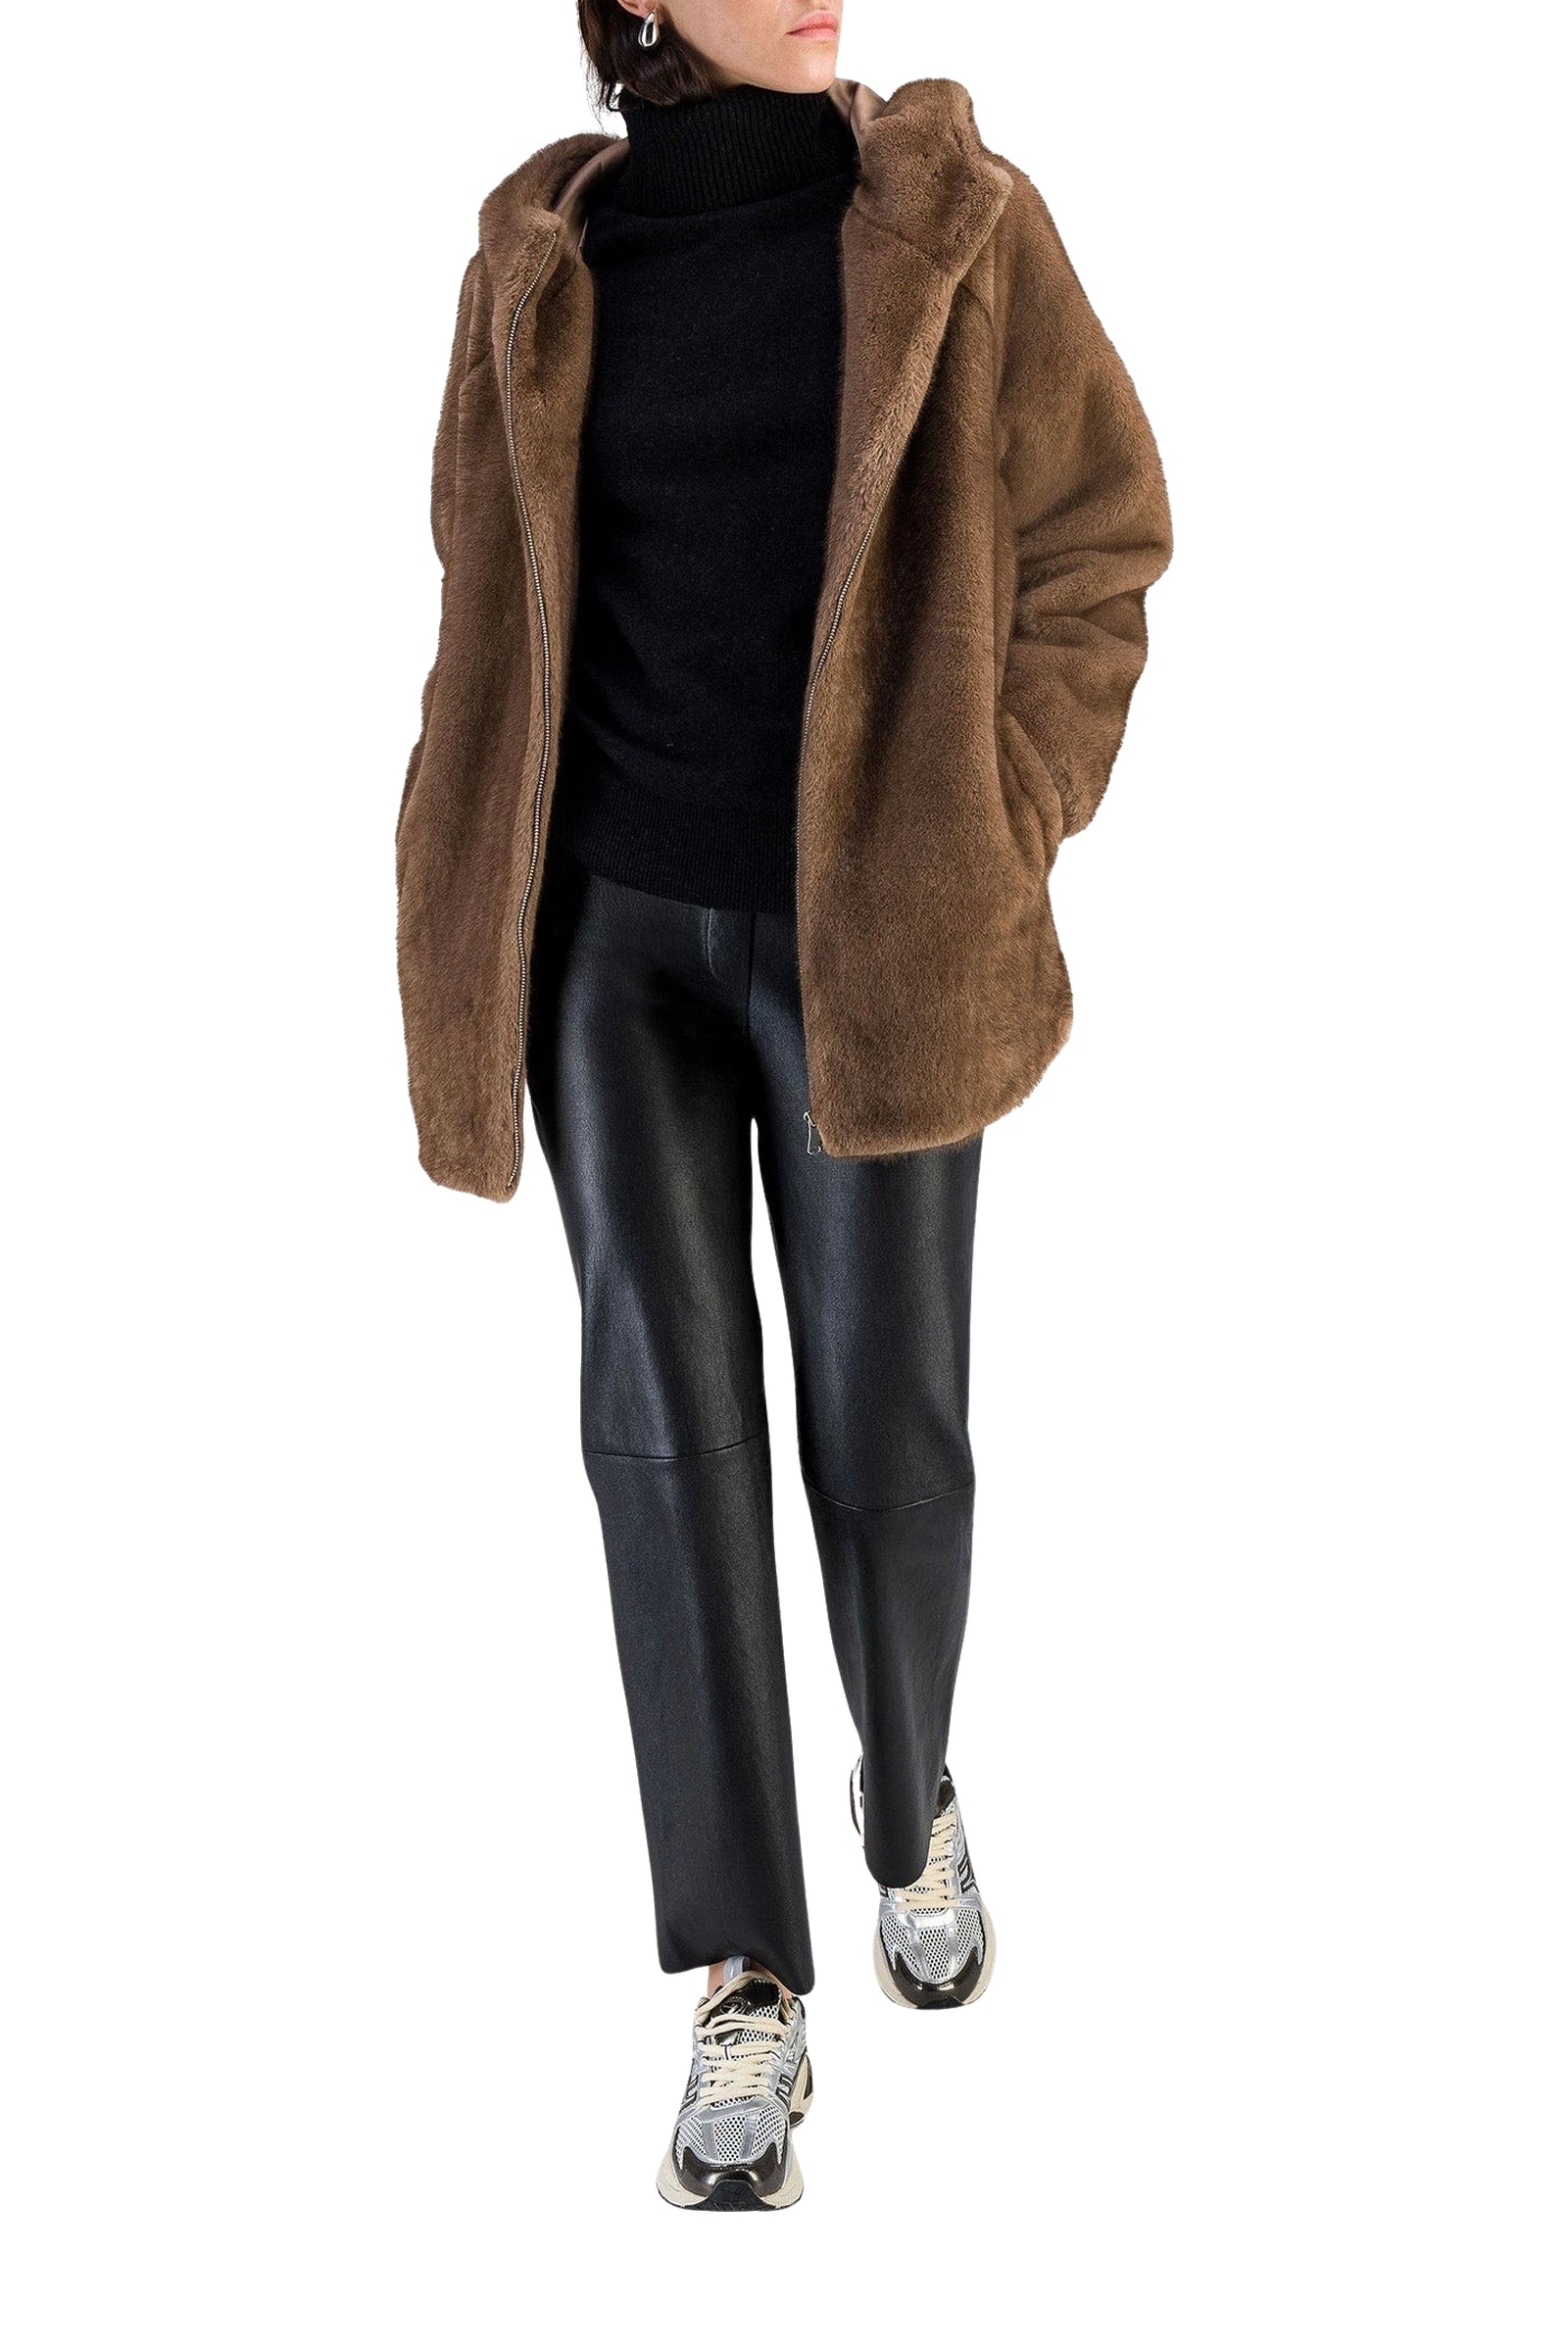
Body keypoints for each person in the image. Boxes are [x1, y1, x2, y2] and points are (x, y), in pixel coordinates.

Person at [396, 0, 1170, 2212]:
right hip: (606, 945)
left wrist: (996, 820)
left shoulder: (961, 226)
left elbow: (1098, 547)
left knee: (888, 1439)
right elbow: (480, 599)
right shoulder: (536, 260)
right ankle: (746, 1978)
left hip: (879, 951)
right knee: (662, 1442)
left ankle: (906, 1793)